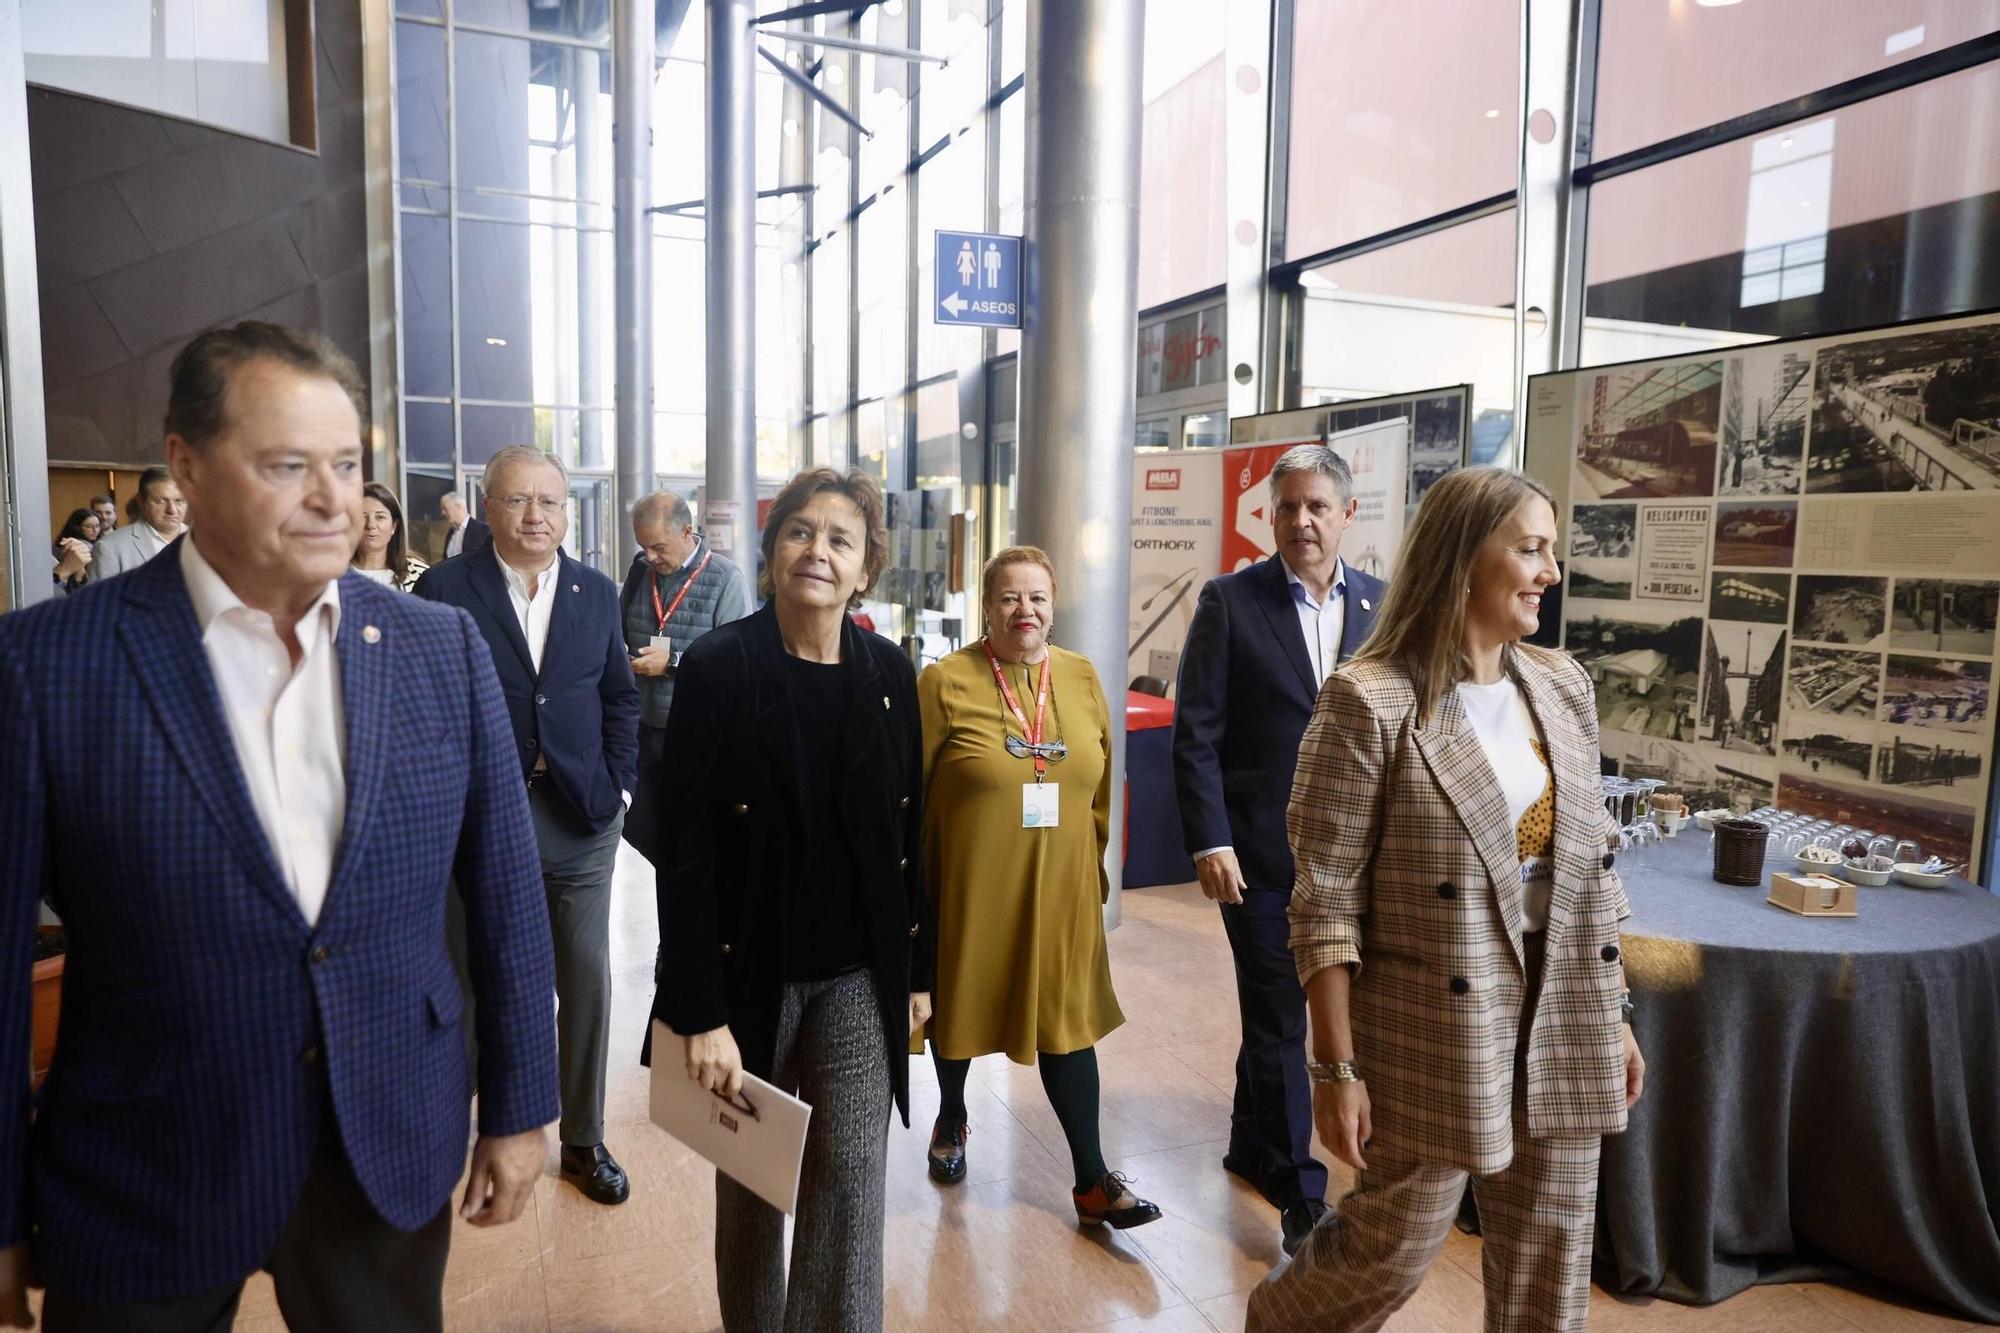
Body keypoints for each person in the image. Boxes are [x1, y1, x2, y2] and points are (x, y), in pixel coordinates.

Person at [0, 321, 559, 1332]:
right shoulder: (48, 664)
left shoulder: (440, 648)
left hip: (383, 1138)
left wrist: (521, 1108)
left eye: (345, 464)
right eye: (287, 464)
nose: (332, 498)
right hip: (147, 1162)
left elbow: (509, 898)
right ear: (187, 466)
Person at [1245, 466, 1646, 1332]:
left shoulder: (1562, 685)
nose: (1550, 572)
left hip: (1563, 1008)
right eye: (1531, 549)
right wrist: (1335, 1070)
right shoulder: (1371, 700)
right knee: (1385, 1249)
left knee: (1552, 1259)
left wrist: (1612, 1012)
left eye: (1551, 551)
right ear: (1466, 556)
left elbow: (1593, 875)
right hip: (1434, 1026)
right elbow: (1324, 906)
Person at [649, 467, 928, 1333]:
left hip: (854, 972)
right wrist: (698, 1009)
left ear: (865, 569)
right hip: (746, 974)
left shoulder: (889, 672)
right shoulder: (720, 667)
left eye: (841, 539)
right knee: (754, 1181)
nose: (818, 551)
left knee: (849, 1180)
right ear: (772, 553)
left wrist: (917, 971)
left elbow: (906, 839)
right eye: (801, 532)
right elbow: (683, 854)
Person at [1171, 443, 1385, 1255]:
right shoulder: (1230, 601)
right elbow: (1196, 736)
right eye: (1287, 506)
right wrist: (1209, 840)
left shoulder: (1382, 608)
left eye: (1317, 507)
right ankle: (1301, 1191)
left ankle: (1247, 1140)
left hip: (1353, 863)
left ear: (1346, 514)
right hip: (1257, 857)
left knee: (1297, 1016)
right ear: (1269, 514)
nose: (1301, 520)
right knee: (1277, 1018)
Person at [413, 445, 639, 1208]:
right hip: (479, 817)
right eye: (517, 500)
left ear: (568, 511)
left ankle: (582, 1138)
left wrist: (619, 788)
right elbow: (427, 704)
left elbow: (618, 696)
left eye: (549, 500)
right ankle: (477, 1127)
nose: (535, 515)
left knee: (585, 976)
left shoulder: (596, 590)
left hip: (580, 815)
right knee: (473, 976)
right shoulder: (445, 588)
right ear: (487, 508)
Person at [917, 546, 1162, 1229]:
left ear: (1053, 607)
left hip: (1062, 892)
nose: (1024, 610)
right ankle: (953, 1113)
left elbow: (1101, 783)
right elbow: (909, 792)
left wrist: (1094, 874)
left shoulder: (1083, 678)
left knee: (1066, 1022)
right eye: (1008, 597)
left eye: (1037, 598)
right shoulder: (946, 681)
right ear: (986, 606)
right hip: (971, 888)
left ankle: (1091, 1178)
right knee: (961, 1006)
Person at [618, 491, 752, 868]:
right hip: (641, 728)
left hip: (692, 731)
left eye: (658, 546)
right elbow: (619, 626)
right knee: (639, 827)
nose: (651, 556)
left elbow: (735, 665)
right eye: (644, 547)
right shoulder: (640, 570)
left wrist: (673, 662)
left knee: (688, 834)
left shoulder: (726, 579)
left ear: (687, 531)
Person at [87, 465, 186, 582]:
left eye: (179, 501)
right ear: (141, 501)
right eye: (161, 501)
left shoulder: (205, 541)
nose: (172, 510)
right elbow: (100, 599)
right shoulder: (110, 548)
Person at [353, 481, 430, 591]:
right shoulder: (332, 574)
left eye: (380, 517)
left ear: (394, 526)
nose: (370, 525)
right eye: (363, 517)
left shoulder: (419, 574)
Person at [51, 510, 100, 594]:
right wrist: (64, 571)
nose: (95, 530)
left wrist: (80, 570)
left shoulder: (99, 543)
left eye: (97, 526)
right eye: (88, 526)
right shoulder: (64, 549)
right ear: (77, 527)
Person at [440, 489, 490, 560]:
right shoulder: (451, 532)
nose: (443, 513)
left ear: (458, 506)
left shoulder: (483, 530)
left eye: (445, 508)